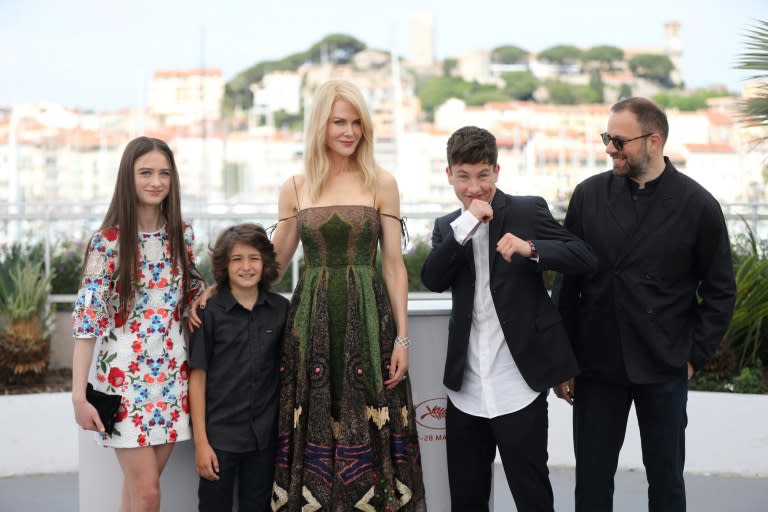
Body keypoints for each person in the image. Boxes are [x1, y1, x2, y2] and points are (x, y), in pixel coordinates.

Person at [192, 79, 426, 511]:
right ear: (320, 124)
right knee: (314, 420)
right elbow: (274, 263)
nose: (349, 132)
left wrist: (402, 339)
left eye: (357, 123)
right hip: (311, 325)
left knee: (370, 423)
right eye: (339, 121)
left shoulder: (382, 182)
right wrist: (218, 287)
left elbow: (393, 264)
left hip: (371, 323)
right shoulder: (296, 187)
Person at [552, 97, 737, 512]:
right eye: (606, 138)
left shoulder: (698, 205)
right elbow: (567, 283)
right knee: (592, 484)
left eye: (619, 140)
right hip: (597, 365)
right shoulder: (588, 195)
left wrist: (692, 357)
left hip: (664, 364)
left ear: (653, 141)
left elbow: (721, 291)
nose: (610, 148)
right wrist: (563, 362)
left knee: (667, 481)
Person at [420, 125, 598, 512]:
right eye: (464, 177)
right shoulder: (447, 226)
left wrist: (530, 248)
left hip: (519, 381)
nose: (474, 187)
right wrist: (466, 224)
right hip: (465, 389)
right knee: (467, 500)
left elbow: (584, 256)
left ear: (497, 171)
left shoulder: (526, 210)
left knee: (532, 495)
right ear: (448, 175)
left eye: (483, 175)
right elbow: (432, 279)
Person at [71, 136, 205, 512]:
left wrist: (205, 295)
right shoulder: (107, 243)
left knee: (138, 493)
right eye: (145, 172)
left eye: (164, 173)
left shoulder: (183, 235)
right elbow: (87, 322)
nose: (156, 182)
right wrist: (78, 396)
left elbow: (193, 293)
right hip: (123, 385)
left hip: (171, 381)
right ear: (128, 178)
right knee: (147, 493)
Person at [188, 223, 289, 512]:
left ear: (265, 263)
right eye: (237, 259)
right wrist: (201, 444)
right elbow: (197, 378)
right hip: (219, 439)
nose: (246, 266)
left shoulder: (281, 310)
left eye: (254, 258)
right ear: (224, 265)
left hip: (264, 440)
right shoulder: (208, 314)